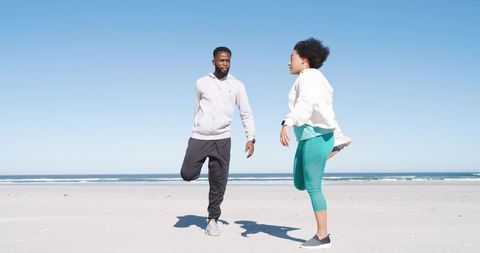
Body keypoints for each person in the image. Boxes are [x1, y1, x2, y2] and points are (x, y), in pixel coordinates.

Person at [279, 38, 351, 249]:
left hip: (315, 137)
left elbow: (306, 105)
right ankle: (333, 146)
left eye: (291, 57)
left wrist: (287, 122)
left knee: (313, 187)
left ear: (304, 59)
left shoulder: (310, 77)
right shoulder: (310, 78)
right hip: (309, 138)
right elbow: (325, 110)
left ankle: (322, 236)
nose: (288, 62)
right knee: (299, 182)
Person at [180, 46, 256, 237]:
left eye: (227, 60)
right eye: (221, 60)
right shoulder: (201, 82)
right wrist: (198, 126)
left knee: (219, 183)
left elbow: (246, 113)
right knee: (187, 174)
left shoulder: (238, 85)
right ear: (213, 61)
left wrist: (251, 137)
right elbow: (197, 108)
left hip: (222, 139)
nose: (224, 64)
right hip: (200, 137)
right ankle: (199, 171)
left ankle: (212, 220)